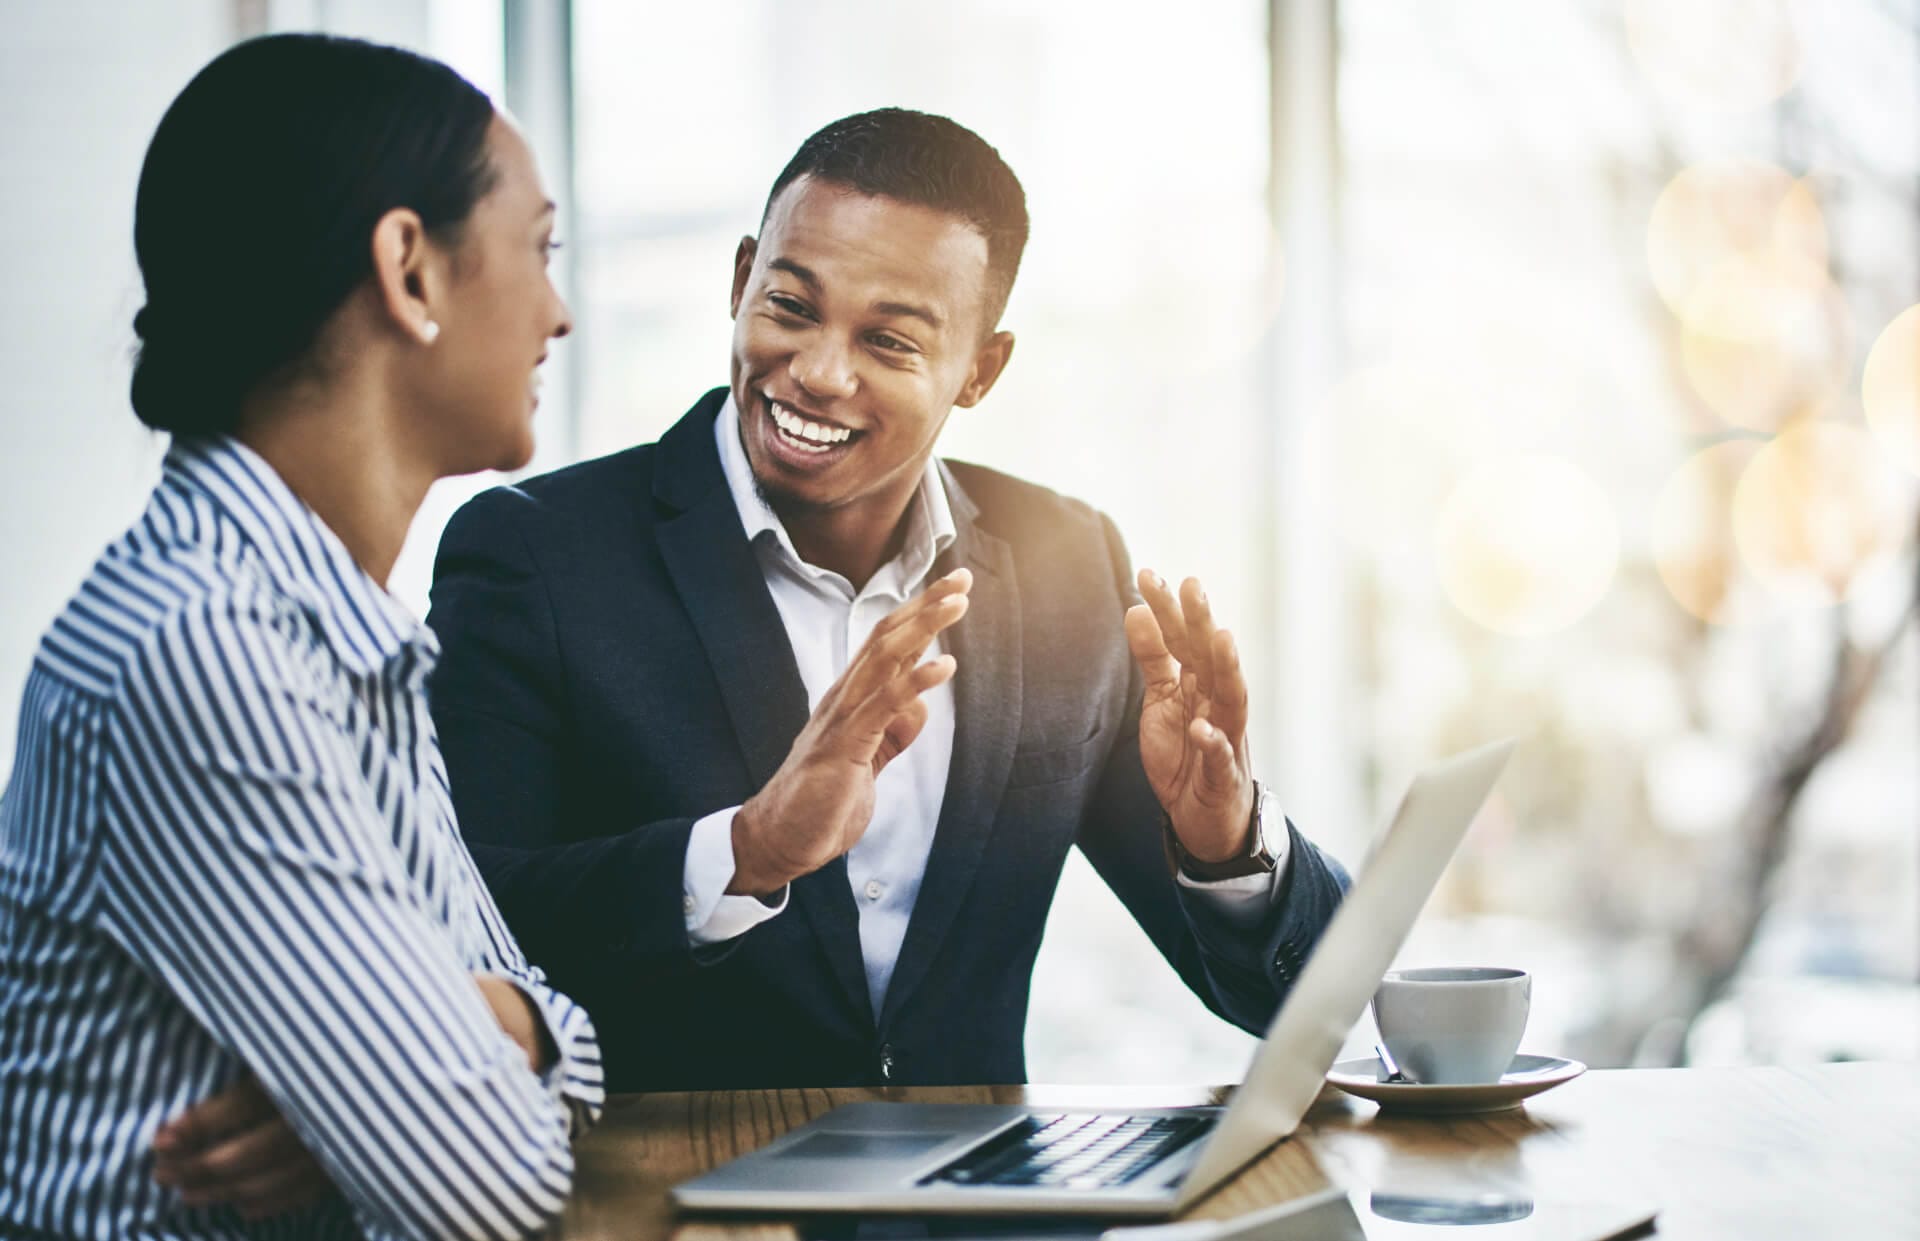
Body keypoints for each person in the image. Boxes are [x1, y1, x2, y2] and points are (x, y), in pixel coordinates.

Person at [428, 108, 1349, 1093]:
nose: (820, 372)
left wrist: (1228, 841)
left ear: (981, 370)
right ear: (742, 282)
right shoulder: (533, 554)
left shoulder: (1071, 566)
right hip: (671, 1196)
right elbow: (461, 941)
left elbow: (1294, 1001)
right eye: (789, 306)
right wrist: (746, 851)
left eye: (890, 342)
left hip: (979, 1207)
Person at [0, 34, 601, 1240]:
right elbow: (487, 1184)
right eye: (537, 250)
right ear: (409, 271)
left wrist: (501, 1027)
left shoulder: (339, 631)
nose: (560, 312)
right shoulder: (209, 649)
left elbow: (565, 1046)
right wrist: (441, 1062)